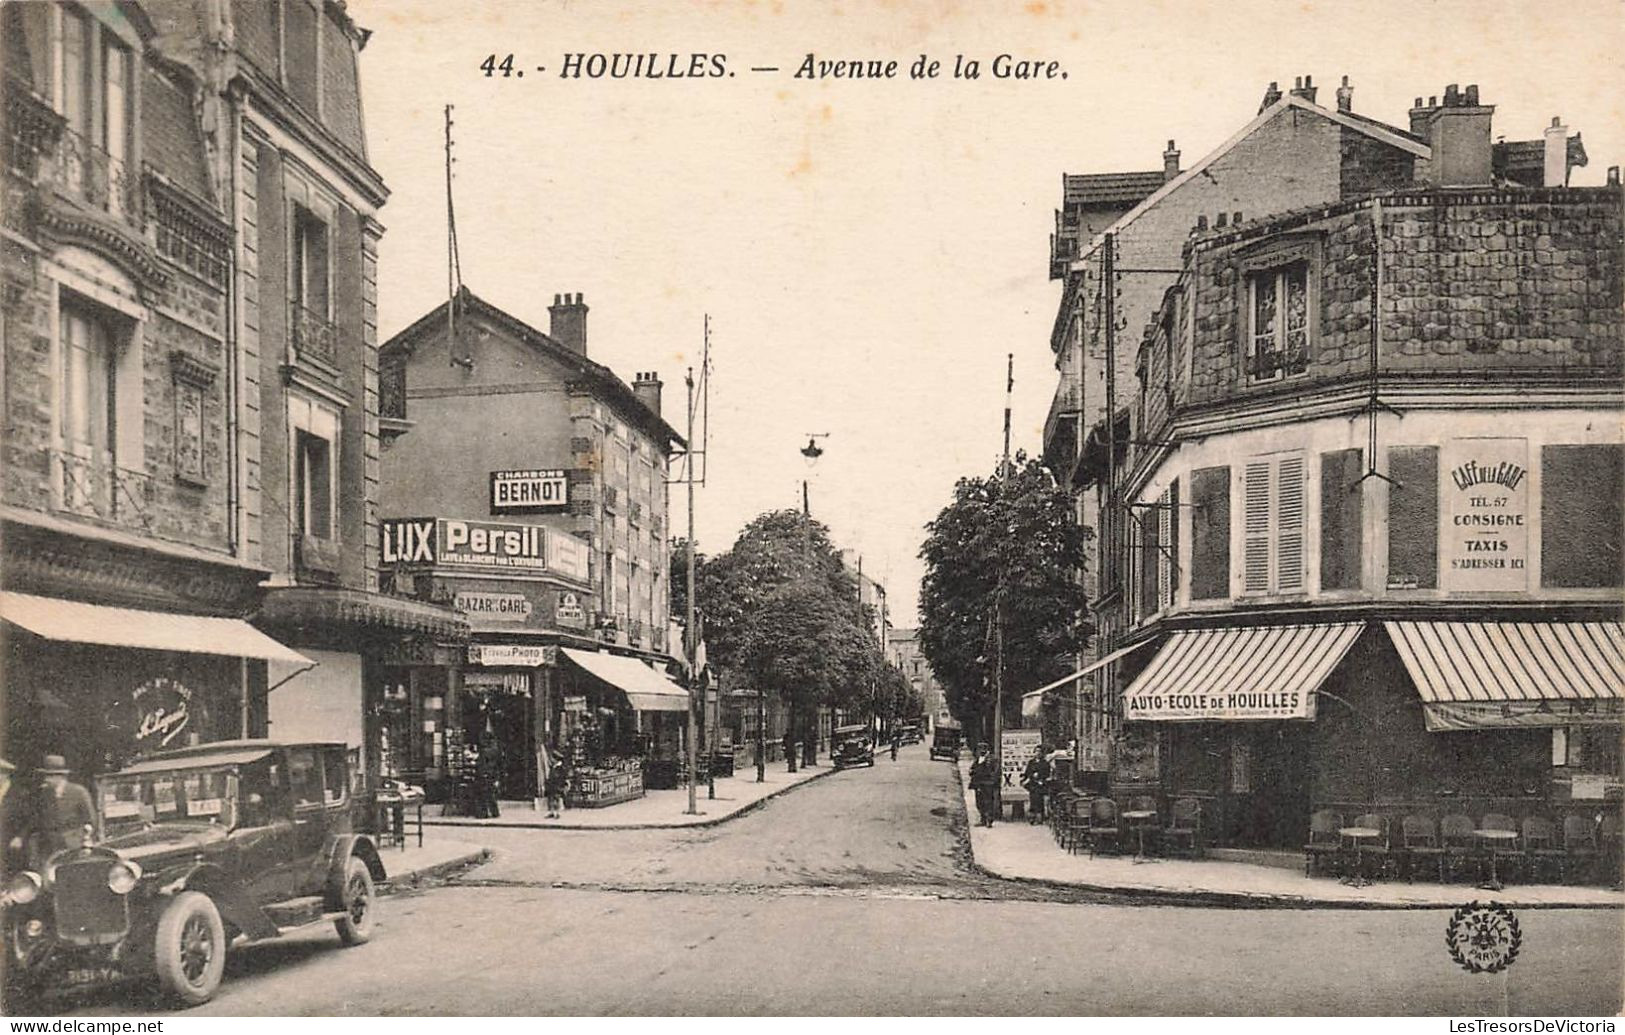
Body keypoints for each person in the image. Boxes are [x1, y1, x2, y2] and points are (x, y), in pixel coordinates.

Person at [6, 755, 94, 870]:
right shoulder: (43, 794)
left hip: (73, 845)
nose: (46, 779)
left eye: (50, 776)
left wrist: (85, 842)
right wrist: (20, 837)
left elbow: (90, 820)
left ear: (61, 776)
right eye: (46, 775)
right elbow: (35, 819)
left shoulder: (79, 792)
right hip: (48, 845)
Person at [968, 745, 999, 827]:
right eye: (980, 749)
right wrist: (972, 771)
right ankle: (983, 819)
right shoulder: (978, 759)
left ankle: (989, 819)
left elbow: (994, 771)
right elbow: (973, 768)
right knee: (979, 802)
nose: (981, 751)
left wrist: (991, 779)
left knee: (988, 801)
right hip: (978, 783)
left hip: (987, 784)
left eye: (983, 749)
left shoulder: (992, 759)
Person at [1021, 746, 1053, 825]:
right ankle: (1032, 817)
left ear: (1042, 753)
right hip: (1032, 784)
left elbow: (1047, 773)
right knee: (1033, 800)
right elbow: (1027, 772)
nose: (1038, 753)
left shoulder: (1045, 763)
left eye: (1039, 752)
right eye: (1036, 751)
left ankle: (1040, 817)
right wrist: (1030, 776)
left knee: (1039, 800)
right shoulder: (1031, 762)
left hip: (1041, 784)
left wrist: (1040, 777)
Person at [543, 754, 568, 819]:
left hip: (557, 785)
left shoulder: (560, 768)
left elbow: (561, 777)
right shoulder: (553, 767)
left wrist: (562, 786)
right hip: (552, 785)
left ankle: (556, 813)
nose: (551, 760)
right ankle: (551, 812)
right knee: (551, 799)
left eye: (553, 758)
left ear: (556, 759)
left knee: (556, 799)